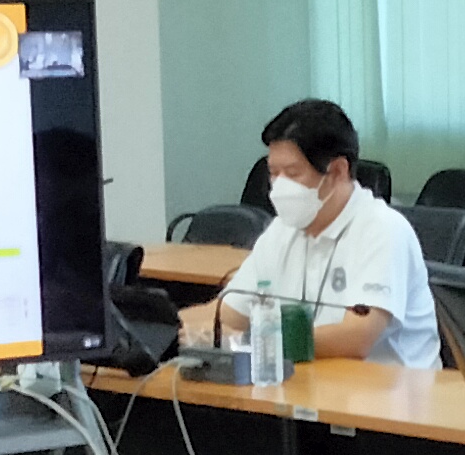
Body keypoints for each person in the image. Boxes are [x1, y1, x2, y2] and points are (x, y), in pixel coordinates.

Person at [182, 98, 438, 371]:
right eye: (274, 173)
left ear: (337, 171)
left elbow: (358, 337)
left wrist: (253, 341)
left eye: (293, 174)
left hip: (390, 391)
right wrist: (167, 328)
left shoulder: (383, 229)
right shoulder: (281, 230)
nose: (279, 187)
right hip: (312, 385)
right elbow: (228, 314)